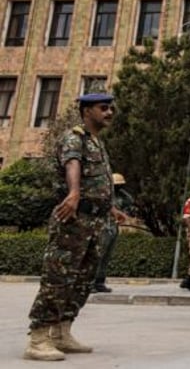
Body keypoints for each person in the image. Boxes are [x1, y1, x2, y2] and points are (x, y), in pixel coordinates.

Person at [24, 93, 126, 361]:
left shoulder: (97, 143)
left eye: (111, 108)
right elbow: (73, 165)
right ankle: (38, 337)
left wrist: (111, 208)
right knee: (58, 277)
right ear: (87, 110)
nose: (110, 112)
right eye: (103, 108)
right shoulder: (75, 138)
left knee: (82, 279)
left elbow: (100, 181)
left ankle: (61, 332)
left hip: (95, 221)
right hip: (74, 218)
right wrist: (74, 193)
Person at [91, 173, 133, 293]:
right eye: (117, 185)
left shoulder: (120, 197)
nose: (118, 187)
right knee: (99, 255)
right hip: (103, 227)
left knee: (107, 256)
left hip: (113, 226)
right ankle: (91, 282)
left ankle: (100, 282)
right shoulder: (104, 196)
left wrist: (122, 191)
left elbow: (130, 200)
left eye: (120, 186)